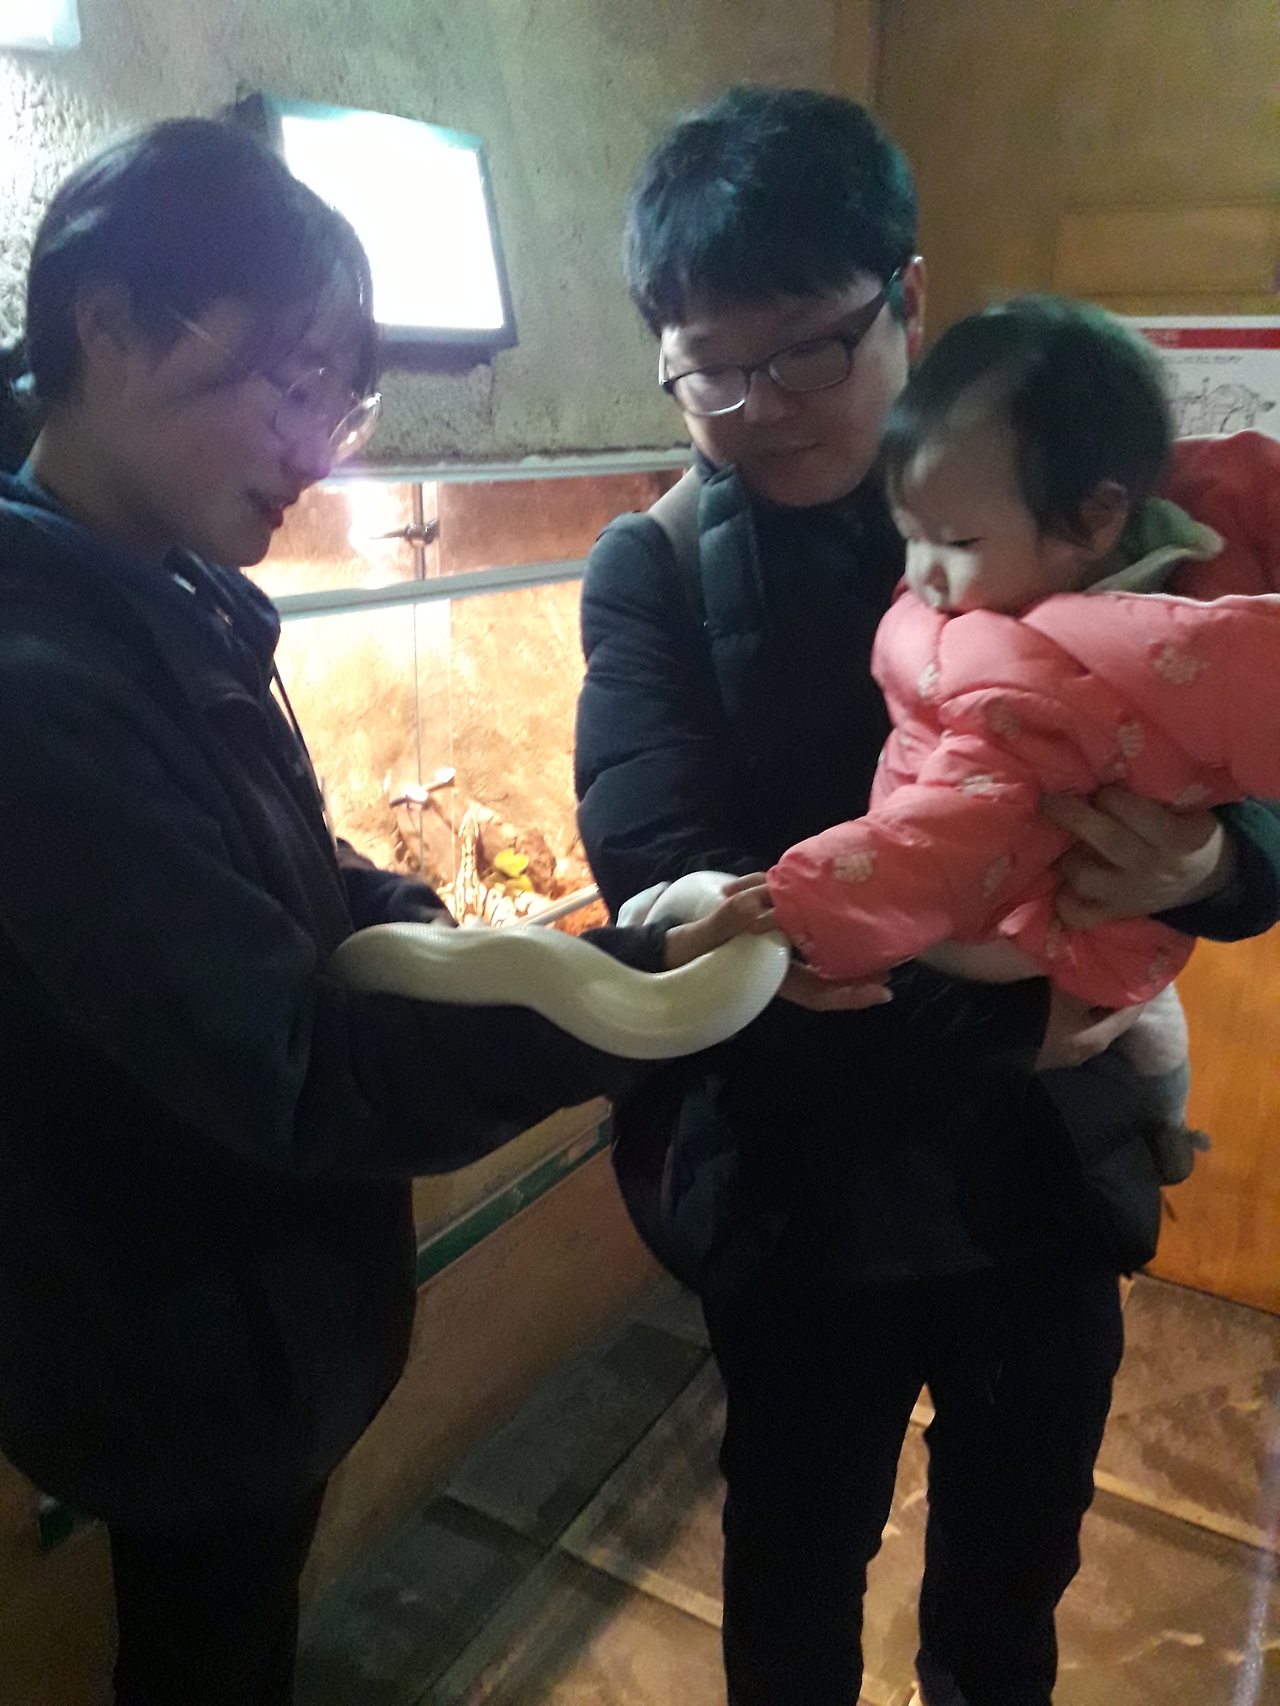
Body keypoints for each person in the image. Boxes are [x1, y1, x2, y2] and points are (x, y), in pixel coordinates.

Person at [0, 117, 753, 1706]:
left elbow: (276, 865)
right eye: (288, 385)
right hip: (176, 1336)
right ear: (109, 324)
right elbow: (289, 1062)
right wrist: (613, 996)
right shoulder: (36, 684)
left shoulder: (160, 582)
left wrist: (420, 913)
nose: (319, 450)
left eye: (345, 401)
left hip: (254, 1317)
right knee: (204, 1653)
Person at [574, 87, 1280, 1706]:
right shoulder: (658, 569)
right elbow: (664, 880)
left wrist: (1213, 864)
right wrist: (1018, 1024)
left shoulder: (1088, 511)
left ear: (905, 293)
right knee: (792, 1582)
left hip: (1041, 1196)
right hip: (806, 1195)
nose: (761, 408)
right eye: (710, 371)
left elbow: (1238, 767)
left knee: (1008, 1591)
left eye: (806, 353)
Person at [740, 296, 1280, 1184]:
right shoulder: (1122, 551)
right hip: (1064, 981)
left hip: (1043, 941)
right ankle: (1164, 1121)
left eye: (954, 542)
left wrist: (803, 908)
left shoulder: (1044, 679)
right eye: (908, 536)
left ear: (1096, 520)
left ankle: (1163, 1123)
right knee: (1150, 1019)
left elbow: (948, 838)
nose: (922, 575)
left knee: (1132, 1016)